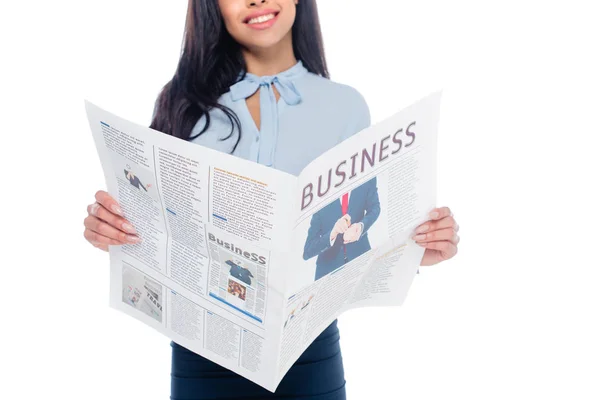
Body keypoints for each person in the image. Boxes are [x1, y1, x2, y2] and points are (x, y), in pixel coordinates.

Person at [82, 0, 461, 398]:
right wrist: (110, 227)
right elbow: (158, 230)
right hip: (202, 357)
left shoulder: (347, 105)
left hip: (309, 355)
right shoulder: (182, 106)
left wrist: (416, 250)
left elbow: (362, 231)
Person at [303, 177, 381, 281]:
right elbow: (307, 251)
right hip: (329, 272)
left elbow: (374, 208)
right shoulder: (319, 190)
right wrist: (332, 233)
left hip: (361, 260)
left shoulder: (366, 176)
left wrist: (361, 226)